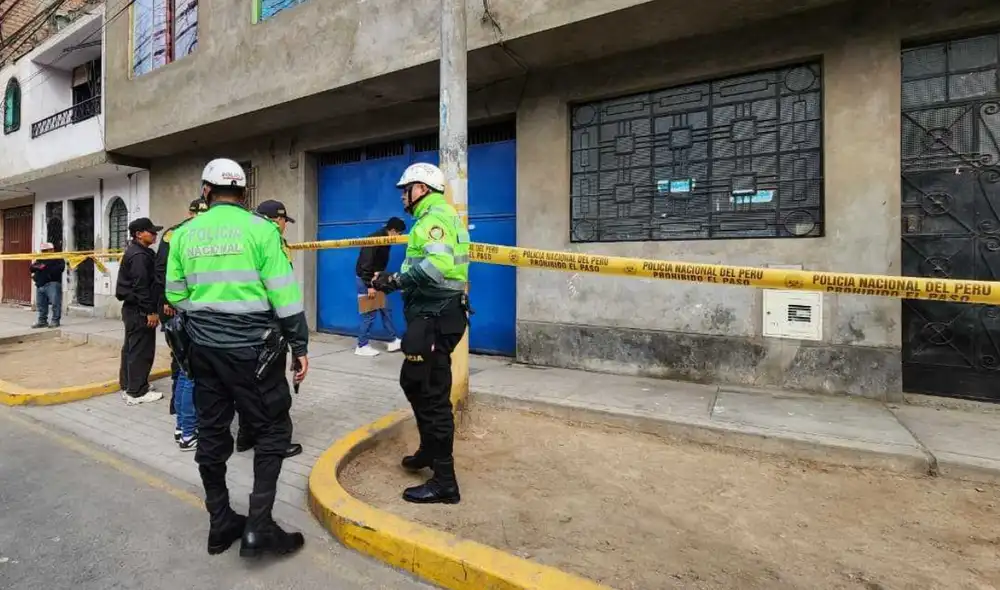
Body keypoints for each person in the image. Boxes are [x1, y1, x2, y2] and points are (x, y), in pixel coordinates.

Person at [166, 158, 309, 557]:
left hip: (204, 352)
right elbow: (284, 295)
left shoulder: (184, 234)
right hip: (254, 355)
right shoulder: (262, 231)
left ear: (205, 191)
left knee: (213, 434)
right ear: (244, 194)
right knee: (273, 432)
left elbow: (175, 295)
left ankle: (220, 523)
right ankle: (259, 527)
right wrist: (300, 347)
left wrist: (209, 309)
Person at [371, 162, 469, 505]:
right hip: (433, 316)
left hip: (435, 317)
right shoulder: (434, 218)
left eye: (406, 189)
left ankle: (445, 482)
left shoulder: (434, 219)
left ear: (422, 189)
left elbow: (437, 265)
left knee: (431, 394)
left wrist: (394, 281)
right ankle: (429, 450)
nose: (402, 195)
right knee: (414, 383)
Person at [229, 198, 303, 459]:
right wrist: (298, 342)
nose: (285, 227)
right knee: (274, 389)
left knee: (248, 384)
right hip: (269, 326)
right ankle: (276, 443)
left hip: (239, 327)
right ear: (277, 220)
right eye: (285, 221)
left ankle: (245, 436)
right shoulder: (273, 241)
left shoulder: (241, 237)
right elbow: (282, 292)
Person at [157, 198, 208, 445]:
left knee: (186, 370)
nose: (199, 217)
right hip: (181, 310)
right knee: (187, 371)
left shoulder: (204, 234)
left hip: (192, 309)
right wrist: (168, 300)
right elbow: (162, 270)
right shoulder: (175, 234)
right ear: (188, 212)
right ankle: (186, 428)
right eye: (197, 213)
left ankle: (182, 425)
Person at [116, 217, 164, 406]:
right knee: (141, 350)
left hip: (132, 308)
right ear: (138, 234)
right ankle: (136, 392)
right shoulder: (139, 256)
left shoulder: (139, 252)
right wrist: (150, 311)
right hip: (139, 310)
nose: (155, 235)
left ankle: (129, 385)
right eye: (151, 232)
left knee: (131, 347)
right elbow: (141, 287)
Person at [354, 217, 406, 357]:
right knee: (369, 314)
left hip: (375, 280)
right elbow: (366, 263)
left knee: (385, 309)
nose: (399, 237)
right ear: (393, 231)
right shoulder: (375, 239)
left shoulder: (385, 239)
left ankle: (392, 340)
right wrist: (369, 285)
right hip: (368, 281)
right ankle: (362, 345)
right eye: (399, 234)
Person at [29, 242, 65, 329]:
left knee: (55, 303)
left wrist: (45, 267)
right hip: (40, 285)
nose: (44, 252)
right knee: (41, 305)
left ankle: (55, 321)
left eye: (46, 250)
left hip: (52, 284)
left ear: (52, 250)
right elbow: (31, 268)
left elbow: (60, 268)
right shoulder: (40, 259)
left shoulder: (58, 258)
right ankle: (42, 321)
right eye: (43, 250)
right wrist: (38, 267)